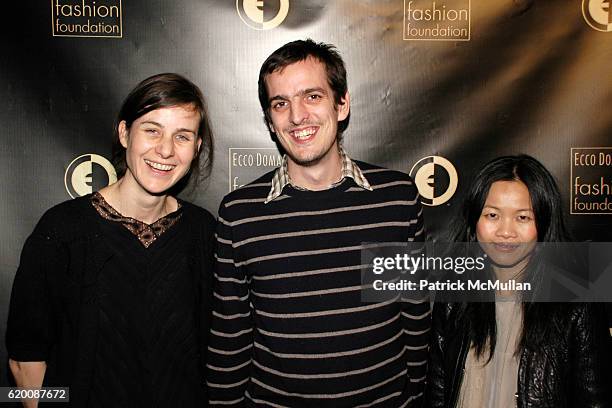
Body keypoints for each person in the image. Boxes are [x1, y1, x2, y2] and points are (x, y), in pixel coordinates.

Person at [207, 39, 430, 407]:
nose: (297, 116)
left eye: (312, 96)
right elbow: (230, 339)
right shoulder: (239, 213)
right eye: (281, 103)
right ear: (269, 121)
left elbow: (415, 317)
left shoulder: (397, 198)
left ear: (342, 104)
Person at [6, 73, 216, 407]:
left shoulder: (204, 232)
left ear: (197, 147)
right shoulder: (61, 230)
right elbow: (23, 361)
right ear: (124, 133)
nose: (165, 150)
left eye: (183, 136)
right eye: (152, 130)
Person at [424, 155, 611, 408]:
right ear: (474, 221)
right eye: (492, 215)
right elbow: (438, 391)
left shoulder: (577, 301)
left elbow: (595, 399)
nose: (505, 231)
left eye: (522, 217)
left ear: (543, 223)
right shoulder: (455, 294)